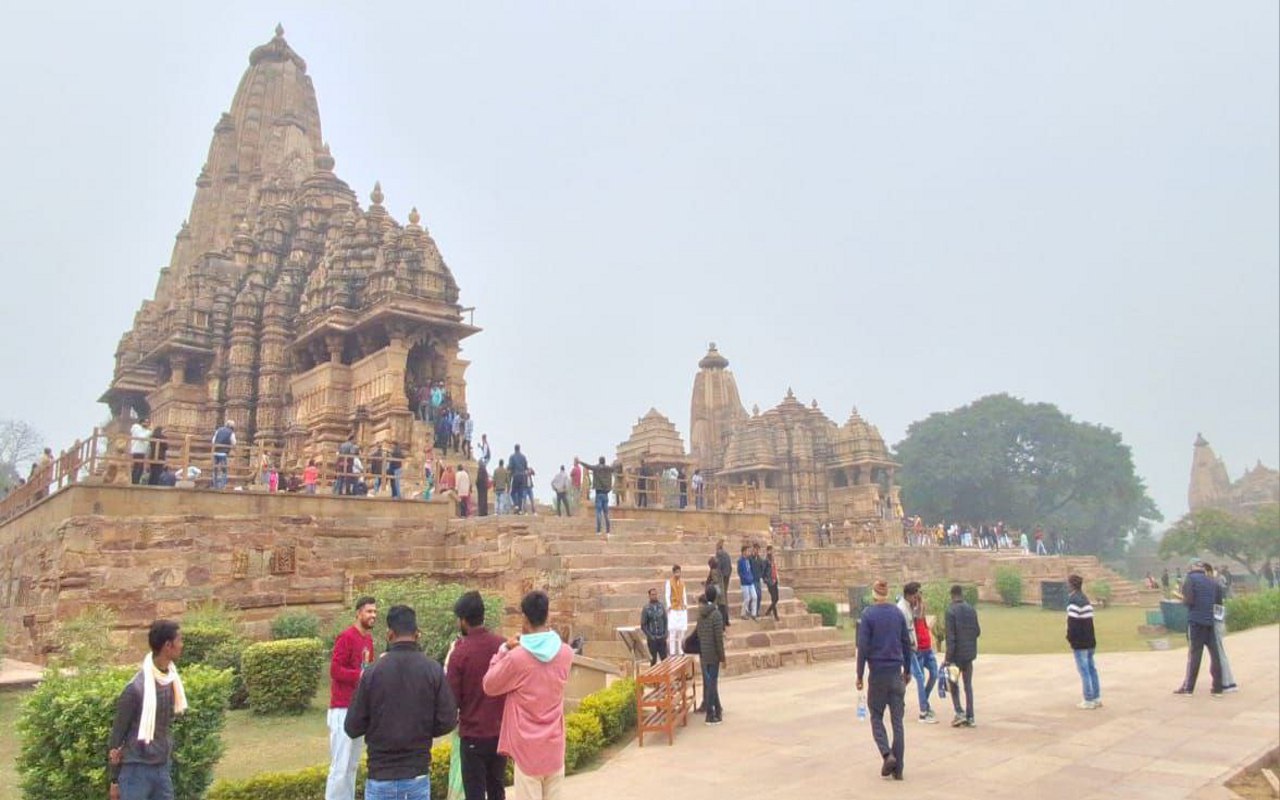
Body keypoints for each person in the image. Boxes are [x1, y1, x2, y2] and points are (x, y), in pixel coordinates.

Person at [345, 605, 458, 800]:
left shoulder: (372, 672)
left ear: (389, 635)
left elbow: (352, 726)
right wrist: (422, 729)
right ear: (417, 634)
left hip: (381, 775)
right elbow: (448, 719)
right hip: (416, 773)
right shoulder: (432, 670)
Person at [482, 590, 574, 799]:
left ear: (524, 618)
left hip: (526, 751)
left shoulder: (517, 658)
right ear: (547, 616)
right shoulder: (566, 653)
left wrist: (504, 649)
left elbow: (489, 685)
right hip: (554, 747)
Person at [108, 620, 186, 800]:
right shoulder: (135, 688)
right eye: (179, 640)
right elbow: (117, 737)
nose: (182, 645)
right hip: (136, 770)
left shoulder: (171, 681)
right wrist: (114, 781)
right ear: (168, 645)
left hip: (161, 768)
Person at [448, 591, 508, 800]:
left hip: (473, 735)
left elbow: (451, 700)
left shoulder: (460, 654)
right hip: (500, 733)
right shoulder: (502, 646)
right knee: (497, 789)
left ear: (463, 621)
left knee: (474, 793)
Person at [856, 580, 912, 781]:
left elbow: (863, 647)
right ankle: (899, 768)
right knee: (897, 721)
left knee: (876, 716)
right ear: (887, 594)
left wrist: (859, 674)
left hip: (878, 673)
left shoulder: (868, 615)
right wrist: (908, 671)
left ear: (873, 595)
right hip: (896, 672)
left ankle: (887, 755)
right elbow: (906, 643)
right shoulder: (897, 614)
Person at [327, 597, 377, 800]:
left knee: (352, 765)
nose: (373, 615)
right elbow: (335, 670)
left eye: (375, 612)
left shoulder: (368, 640)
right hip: (342, 707)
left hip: (358, 709)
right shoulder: (346, 637)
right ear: (358, 613)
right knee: (340, 766)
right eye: (368, 612)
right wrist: (359, 676)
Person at [1174, 560, 1225, 696]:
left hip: (1196, 621)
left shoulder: (1190, 579)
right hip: (1210, 622)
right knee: (1215, 655)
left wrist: (1182, 599)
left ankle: (1189, 688)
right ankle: (1218, 688)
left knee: (1195, 655)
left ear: (1191, 568)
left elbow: (1189, 600)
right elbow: (1219, 603)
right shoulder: (1212, 581)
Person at [897, 582, 938, 723]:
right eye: (915, 596)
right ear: (909, 595)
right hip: (908, 648)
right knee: (919, 677)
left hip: (915, 647)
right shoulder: (901, 609)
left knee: (912, 677)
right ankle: (923, 712)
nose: (917, 598)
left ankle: (896, 701)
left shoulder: (908, 607)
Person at [944, 584, 981, 727]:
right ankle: (970, 716)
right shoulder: (971, 610)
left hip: (955, 658)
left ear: (952, 595)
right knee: (968, 685)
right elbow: (977, 631)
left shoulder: (950, 611)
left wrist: (947, 659)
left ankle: (959, 712)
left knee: (953, 684)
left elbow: (950, 638)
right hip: (969, 655)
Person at [1066, 574, 1101, 709]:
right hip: (1090, 639)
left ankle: (1088, 699)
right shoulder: (1085, 599)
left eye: (1068, 583)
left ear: (1071, 585)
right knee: (1092, 669)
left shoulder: (1074, 601)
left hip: (1080, 642)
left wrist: (1070, 638)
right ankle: (1096, 697)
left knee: (1084, 670)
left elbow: (1072, 624)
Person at [1204, 564, 1239, 693]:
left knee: (1219, 653)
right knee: (1219, 652)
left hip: (1215, 621)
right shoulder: (1215, 584)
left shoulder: (1213, 585)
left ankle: (1226, 682)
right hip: (1217, 619)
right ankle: (1226, 681)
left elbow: (1216, 605)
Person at [696, 585, 726, 725]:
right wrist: (722, 656)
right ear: (715, 597)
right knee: (712, 684)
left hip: (704, 652)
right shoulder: (716, 614)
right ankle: (710, 713)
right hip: (713, 654)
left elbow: (699, 634)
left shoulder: (700, 614)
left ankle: (717, 708)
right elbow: (718, 639)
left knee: (710, 683)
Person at [580, 457, 614, 536]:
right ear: (604, 462)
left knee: (598, 512)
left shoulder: (596, 468)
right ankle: (608, 531)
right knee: (606, 513)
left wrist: (580, 461)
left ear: (599, 461)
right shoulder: (608, 469)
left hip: (598, 493)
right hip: (605, 494)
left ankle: (598, 531)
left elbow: (588, 466)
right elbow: (614, 468)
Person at [640, 588, 668, 665]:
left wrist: (665, 633)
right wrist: (650, 636)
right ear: (649, 596)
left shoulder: (661, 606)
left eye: (655, 594)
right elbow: (643, 625)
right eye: (652, 595)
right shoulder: (646, 608)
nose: (654, 596)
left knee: (665, 660)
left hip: (662, 637)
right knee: (653, 660)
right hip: (652, 639)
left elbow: (665, 620)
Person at [665, 565, 689, 656]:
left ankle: (681, 650)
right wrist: (669, 605)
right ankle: (672, 651)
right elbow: (667, 595)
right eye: (676, 572)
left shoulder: (682, 583)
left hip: (681, 609)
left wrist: (685, 604)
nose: (678, 574)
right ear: (673, 573)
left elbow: (684, 594)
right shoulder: (669, 582)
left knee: (681, 631)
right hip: (673, 609)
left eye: (679, 572)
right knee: (672, 631)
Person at [706, 556, 730, 630]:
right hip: (722, 592)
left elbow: (715, 582)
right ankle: (725, 624)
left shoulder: (713, 571)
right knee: (723, 609)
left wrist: (709, 585)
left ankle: (719, 626)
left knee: (717, 610)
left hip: (717, 594)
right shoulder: (719, 571)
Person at [210, 420, 235, 489]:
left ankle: (215, 485)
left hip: (216, 452)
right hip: (223, 453)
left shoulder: (218, 430)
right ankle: (222, 486)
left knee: (215, 469)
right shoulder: (231, 432)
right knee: (224, 470)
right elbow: (234, 442)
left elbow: (213, 440)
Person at [737, 545, 757, 620]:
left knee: (755, 597)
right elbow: (740, 572)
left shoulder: (748, 560)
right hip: (745, 583)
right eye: (747, 551)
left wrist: (751, 577)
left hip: (751, 582)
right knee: (747, 599)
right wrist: (745, 578)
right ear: (744, 552)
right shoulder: (740, 561)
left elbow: (750, 569)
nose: (749, 552)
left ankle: (753, 613)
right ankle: (743, 614)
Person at [130, 418, 152, 485]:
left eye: (148, 423)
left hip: (142, 451)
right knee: (138, 468)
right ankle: (134, 482)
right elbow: (141, 437)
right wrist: (150, 432)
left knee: (139, 468)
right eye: (146, 422)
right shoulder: (137, 428)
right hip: (137, 450)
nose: (147, 424)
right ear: (141, 423)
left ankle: (135, 482)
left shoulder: (145, 430)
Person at [761, 546, 780, 621]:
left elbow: (774, 569)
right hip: (770, 582)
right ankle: (775, 615)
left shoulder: (772, 560)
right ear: (768, 551)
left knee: (776, 598)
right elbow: (763, 572)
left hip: (775, 581)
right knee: (774, 599)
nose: (772, 552)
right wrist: (767, 580)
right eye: (771, 551)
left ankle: (769, 611)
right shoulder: (766, 561)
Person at [508, 446, 529, 514]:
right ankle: (520, 510)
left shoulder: (512, 457)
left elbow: (510, 467)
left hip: (516, 475)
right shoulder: (523, 457)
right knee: (520, 494)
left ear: (514, 449)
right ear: (519, 448)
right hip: (523, 476)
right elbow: (526, 467)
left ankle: (516, 505)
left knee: (512, 493)